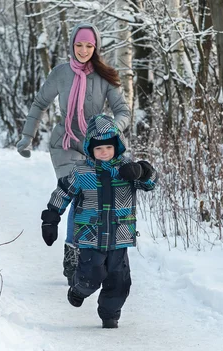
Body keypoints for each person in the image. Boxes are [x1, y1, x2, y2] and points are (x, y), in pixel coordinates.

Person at [16, 22, 131, 282]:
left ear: (96, 47)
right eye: (79, 45)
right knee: (77, 192)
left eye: (88, 45)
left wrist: (111, 128)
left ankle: (78, 248)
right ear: (72, 45)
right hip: (65, 142)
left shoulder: (106, 77)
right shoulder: (61, 73)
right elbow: (40, 103)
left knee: (90, 197)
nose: (83, 50)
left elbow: (124, 111)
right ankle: (73, 253)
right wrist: (27, 136)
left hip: (95, 144)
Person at [39, 114, 157, 329]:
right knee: (91, 275)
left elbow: (150, 183)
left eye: (108, 148)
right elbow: (63, 192)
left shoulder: (127, 171)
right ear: (90, 149)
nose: (104, 153)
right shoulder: (82, 171)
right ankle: (78, 288)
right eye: (98, 149)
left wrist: (142, 171)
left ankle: (109, 314)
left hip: (119, 237)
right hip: (89, 237)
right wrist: (51, 217)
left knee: (119, 281)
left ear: (117, 147)